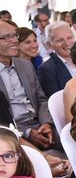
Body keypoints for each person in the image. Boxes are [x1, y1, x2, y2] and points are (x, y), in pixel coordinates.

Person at [0, 20, 56, 152]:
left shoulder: (25, 65)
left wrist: (46, 124)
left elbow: (41, 99)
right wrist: (27, 132)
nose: (14, 41)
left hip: (39, 124)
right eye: (7, 37)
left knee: (74, 140)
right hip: (12, 132)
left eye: (15, 36)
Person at [38, 22, 76, 97]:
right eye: (60, 40)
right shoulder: (47, 69)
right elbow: (56, 101)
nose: (67, 43)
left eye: (69, 38)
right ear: (50, 45)